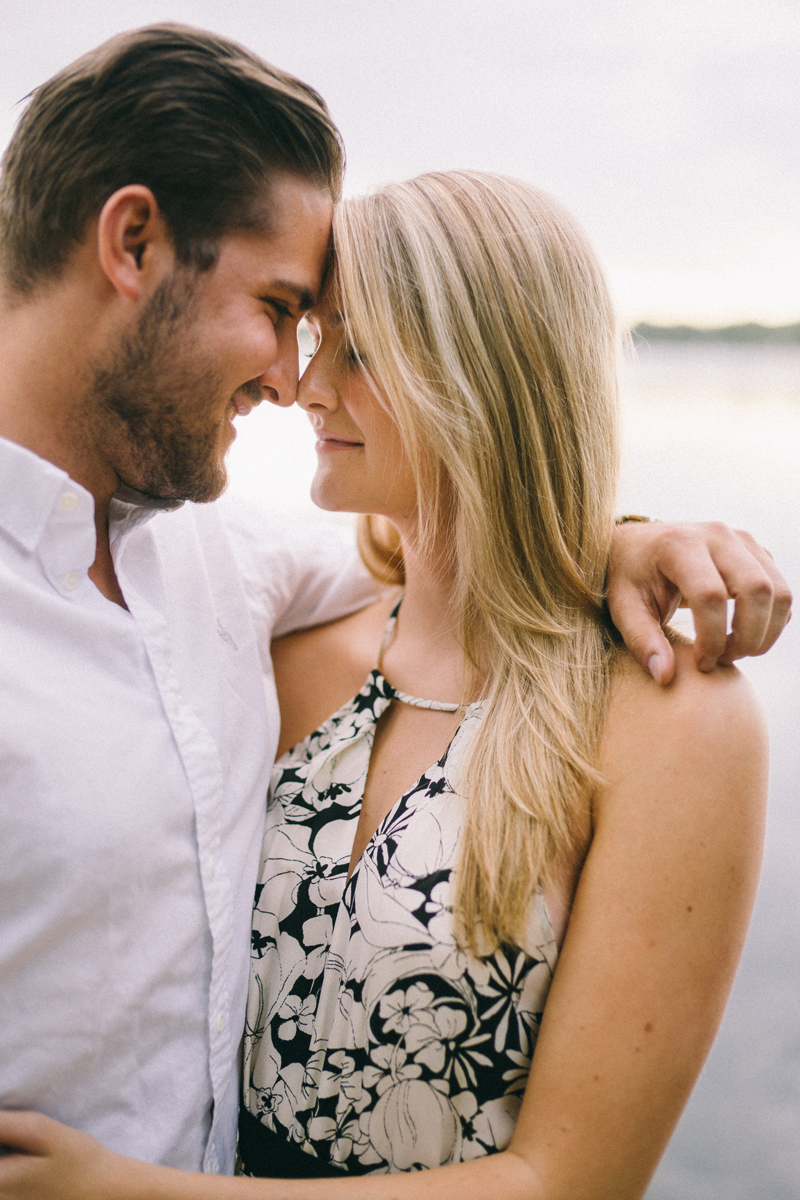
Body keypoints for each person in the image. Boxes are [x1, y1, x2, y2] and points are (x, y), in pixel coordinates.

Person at [0, 23, 790, 1183]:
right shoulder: (298, 647)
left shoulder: (236, 582)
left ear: (475, 380)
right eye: (288, 313)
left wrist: (626, 541)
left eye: (346, 344)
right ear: (130, 243)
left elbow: (577, 1175)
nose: (296, 381)